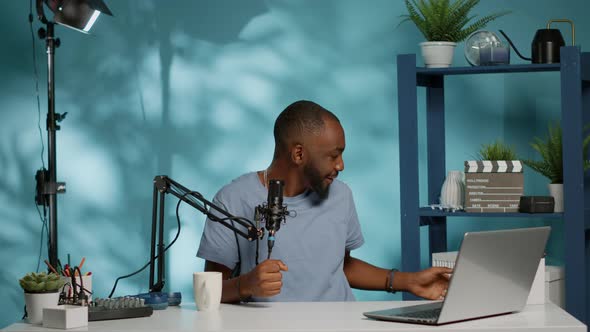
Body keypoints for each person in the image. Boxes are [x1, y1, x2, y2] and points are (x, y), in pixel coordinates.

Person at [197, 100, 451, 303]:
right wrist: (246, 285)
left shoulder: (340, 195)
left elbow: (341, 265)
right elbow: (208, 291)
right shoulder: (233, 199)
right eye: (333, 155)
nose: (341, 165)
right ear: (299, 153)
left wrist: (409, 281)